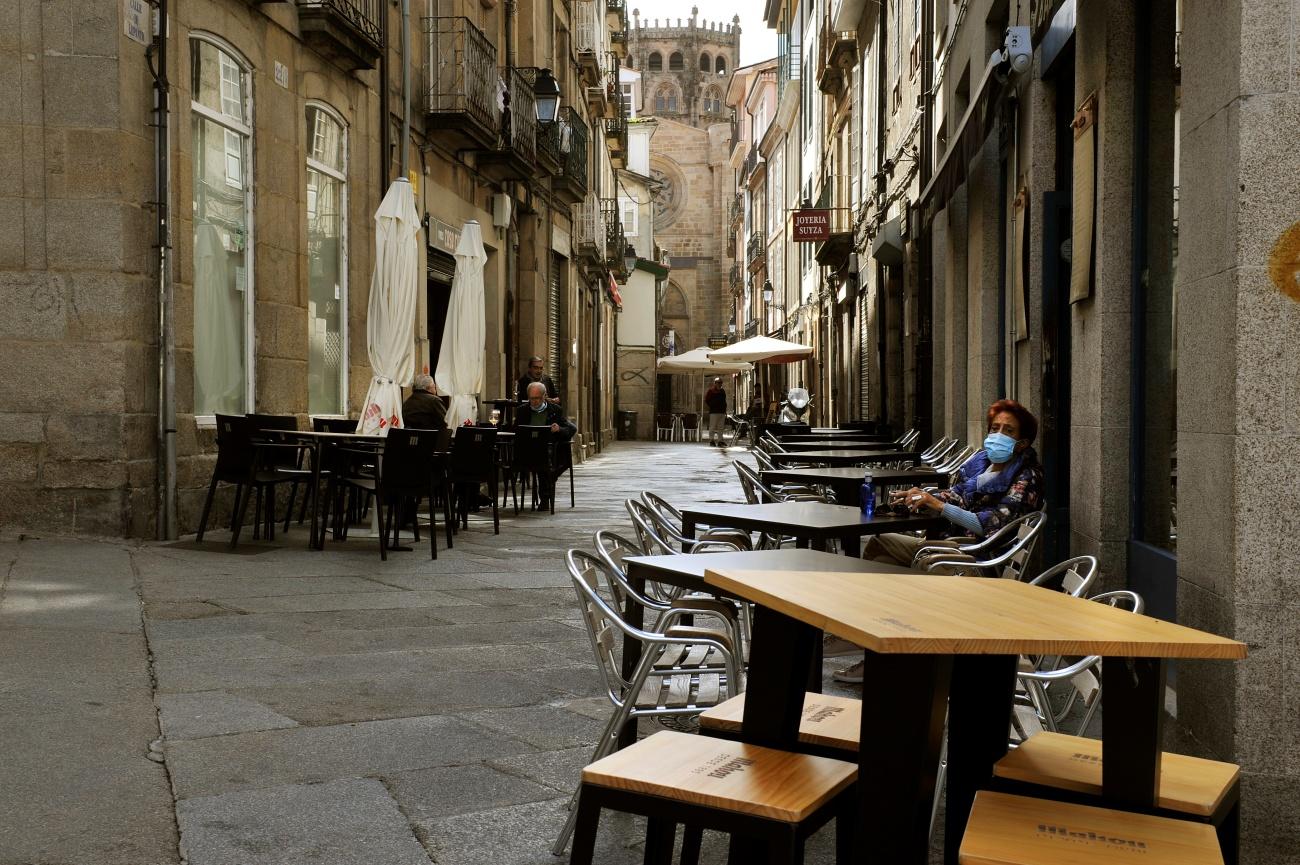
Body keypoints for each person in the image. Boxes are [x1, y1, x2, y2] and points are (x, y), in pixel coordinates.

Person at [827, 399, 1046, 683]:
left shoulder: (1026, 476)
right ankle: (872, 634)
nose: (997, 435)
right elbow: (954, 493)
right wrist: (919, 496)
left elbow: (992, 526)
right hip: (950, 543)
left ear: (1021, 443)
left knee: (927, 563)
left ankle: (895, 656)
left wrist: (940, 507)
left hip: (978, 559)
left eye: (1008, 431)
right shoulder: (981, 465)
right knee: (881, 544)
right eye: (994, 428)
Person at [516, 382, 577, 509]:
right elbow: (516, 430)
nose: (535, 401)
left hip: (549, 451)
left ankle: (545, 498)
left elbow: (570, 429)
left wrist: (559, 429)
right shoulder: (522, 411)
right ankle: (545, 495)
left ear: (544, 396)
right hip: (528, 451)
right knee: (539, 463)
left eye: (538, 398)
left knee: (546, 463)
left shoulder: (554, 410)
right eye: (532, 398)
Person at [704, 377, 727, 447]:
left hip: (722, 412)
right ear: (715, 383)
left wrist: (724, 408)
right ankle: (711, 440)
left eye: (721, 383)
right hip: (714, 412)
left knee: (721, 427)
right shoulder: (711, 391)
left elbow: (724, 400)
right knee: (712, 427)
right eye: (718, 383)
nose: (720, 384)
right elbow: (707, 400)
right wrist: (712, 405)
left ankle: (720, 441)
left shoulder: (722, 391)